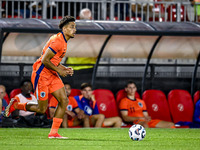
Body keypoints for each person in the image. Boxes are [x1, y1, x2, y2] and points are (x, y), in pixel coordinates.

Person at [5, 16, 76, 139]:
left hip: (52, 74)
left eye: (75, 27)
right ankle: (17, 105)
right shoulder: (58, 41)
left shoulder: (63, 40)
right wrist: (60, 70)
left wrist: (64, 68)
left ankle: (53, 133)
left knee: (64, 100)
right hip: (41, 75)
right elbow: (44, 60)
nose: (75, 29)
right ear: (64, 29)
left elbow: (53, 60)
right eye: (72, 27)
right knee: (42, 109)